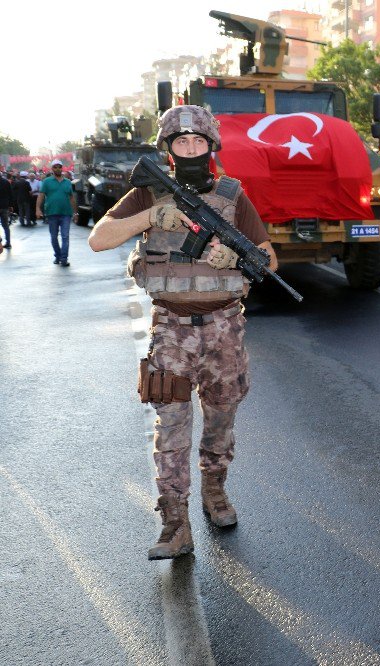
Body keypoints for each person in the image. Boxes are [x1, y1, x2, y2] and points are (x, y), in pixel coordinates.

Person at [88, 105, 278, 559]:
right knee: (170, 426)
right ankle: (174, 522)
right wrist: (153, 216)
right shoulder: (148, 192)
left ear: (211, 147)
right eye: (181, 142)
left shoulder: (233, 195)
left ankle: (215, 491)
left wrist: (236, 258)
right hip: (171, 330)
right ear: (168, 149)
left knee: (221, 420)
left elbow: (268, 261)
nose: (190, 149)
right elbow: (99, 238)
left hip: (225, 330)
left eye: (198, 142)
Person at [36, 159, 78, 266]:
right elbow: (41, 195)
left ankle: (64, 259)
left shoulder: (67, 182)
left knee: (65, 236)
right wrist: (38, 209)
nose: (58, 169)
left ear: (62, 168)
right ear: (52, 168)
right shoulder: (47, 182)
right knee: (54, 237)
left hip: (66, 214)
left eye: (59, 167)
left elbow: (71, 198)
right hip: (51, 213)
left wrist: (75, 213)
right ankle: (58, 256)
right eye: (55, 167)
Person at [0, 173, 11, 249]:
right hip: (4, 206)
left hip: (4, 206)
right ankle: (8, 242)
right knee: (6, 225)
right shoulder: (6, 182)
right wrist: (10, 205)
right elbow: (10, 194)